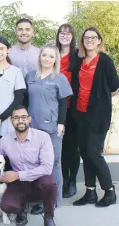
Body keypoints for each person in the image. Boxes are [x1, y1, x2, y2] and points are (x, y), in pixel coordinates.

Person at [71, 27, 119, 207]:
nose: (89, 40)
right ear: (83, 41)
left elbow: (115, 85)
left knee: (93, 152)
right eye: (86, 37)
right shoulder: (80, 60)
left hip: (98, 116)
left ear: (99, 40)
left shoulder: (104, 60)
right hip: (80, 113)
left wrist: (102, 98)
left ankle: (109, 191)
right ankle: (90, 192)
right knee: (84, 152)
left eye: (93, 37)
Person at [25, 43, 73, 212]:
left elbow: (63, 104)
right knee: (34, 163)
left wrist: (61, 124)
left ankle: (52, 200)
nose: (47, 59)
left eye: (51, 56)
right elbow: (25, 101)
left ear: (55, 60)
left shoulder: (60, 78)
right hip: (32, 127)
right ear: (40, 57)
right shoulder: (30, 76)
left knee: (53, 163)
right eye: (44, 55)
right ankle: (38, 197)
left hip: (52, 127)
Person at [0, 105, 57, 226]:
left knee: (50, 184)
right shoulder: (5, 141)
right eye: (16, 118)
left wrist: (18, 175)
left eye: (23, 117)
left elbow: (47, 168)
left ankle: (48, 216)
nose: (20, 120)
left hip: (38, 179)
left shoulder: (43, 137)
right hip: (18, 183)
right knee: (7, 206)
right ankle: (21, 208)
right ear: (11, 121)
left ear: (29, 119)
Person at [55, 24, 80, 198]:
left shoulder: (78, 55)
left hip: (73, 107)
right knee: (59, 148)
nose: (64, 35)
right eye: (62, 33)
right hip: (55, 107)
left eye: (68, 33)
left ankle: (72, 182)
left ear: (72, 36)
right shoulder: (53, 53)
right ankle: (61, 180)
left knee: (71, 147)